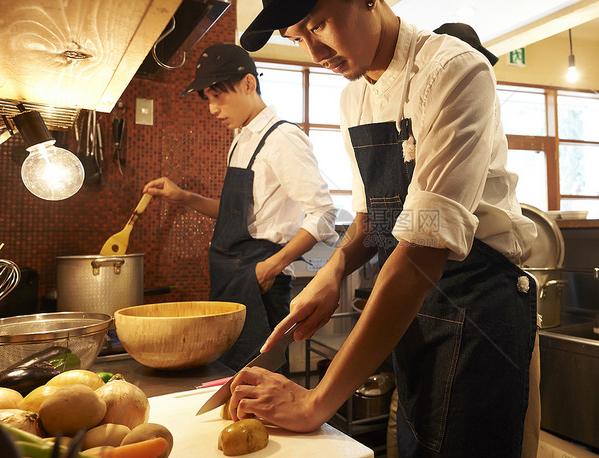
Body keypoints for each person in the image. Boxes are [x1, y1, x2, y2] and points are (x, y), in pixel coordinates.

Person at [229, 2, 539, 457]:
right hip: (414, 312)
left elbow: (420, 252)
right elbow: (375, 219)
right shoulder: (354, 95)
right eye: (297, 38)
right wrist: (332, 271)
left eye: (318, 26)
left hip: (477, 310)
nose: (315, 52)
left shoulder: (453, 70)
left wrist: (317, 401)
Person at [143, 43, 337, 371]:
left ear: (248, 84)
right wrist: (184, 197)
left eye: (218, 96)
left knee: (261, 382)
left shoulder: (282, 138)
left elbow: (323, 213)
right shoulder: (241, 138)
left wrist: (270, 268)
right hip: (229, 276)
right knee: (228, 377)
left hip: (259, 280)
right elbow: (237, 214)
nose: (212, 108)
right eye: (207, 98)